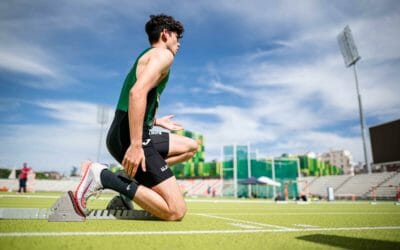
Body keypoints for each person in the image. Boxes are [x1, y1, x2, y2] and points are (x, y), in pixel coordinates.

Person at [74, 14, 198, 221]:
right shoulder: (162, 55)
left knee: (190, 146)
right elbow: (136, 93)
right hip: (131, 136)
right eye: (178, 37)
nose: (179, 44)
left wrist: (155, 121)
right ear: (166, 34)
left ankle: (127, 176)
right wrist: (136, 145)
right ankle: (103, 176)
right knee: (175, 211)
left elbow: (138, 97)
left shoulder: (149, 55)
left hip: (132, 131)